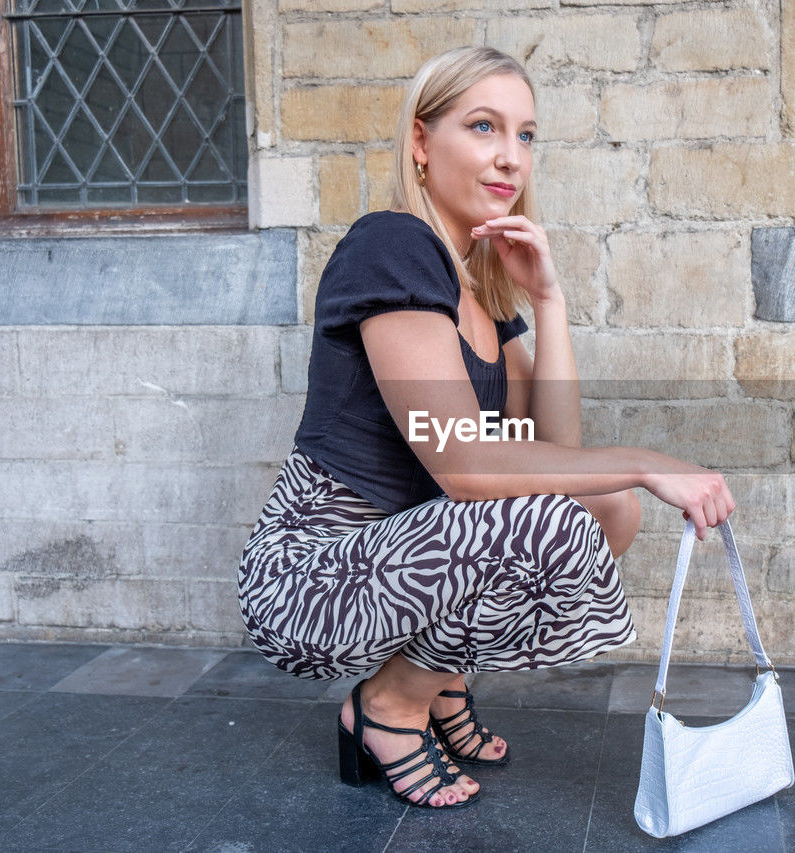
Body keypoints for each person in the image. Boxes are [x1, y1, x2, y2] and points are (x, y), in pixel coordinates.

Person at [238, 45, 735, 811]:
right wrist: (647, 460)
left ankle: (438, 680)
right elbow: (466, 465)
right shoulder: (392, 244)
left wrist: (551, 303)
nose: (511, 157)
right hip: (312, 572)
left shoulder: (479, 287)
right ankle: (390, 705)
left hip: (405, 556)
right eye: (483, 126)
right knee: (566, 507)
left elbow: (555, 455)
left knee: (605, 508)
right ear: (419, 142)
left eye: (526, 135)